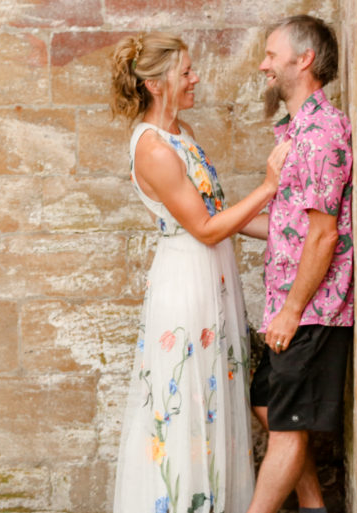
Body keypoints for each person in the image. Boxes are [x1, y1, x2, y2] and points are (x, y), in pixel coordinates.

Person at [109, 32, 291, 513]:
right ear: (155, 84)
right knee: (184, 402)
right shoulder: (152, 148)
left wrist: (286, 234)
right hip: (186, 281)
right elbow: (207, 229)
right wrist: (270, 185)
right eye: (185, 71)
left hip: (213, 277)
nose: (195, 78)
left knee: (215, 395)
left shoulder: (181, 133)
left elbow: (221, 212)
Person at [242, 15, 354, 513]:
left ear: (302, 60)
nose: (264, 64)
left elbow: (324, 233)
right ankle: (313, 506)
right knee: (267, 404)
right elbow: (290, 227)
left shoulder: (320, 134)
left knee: (287, 430)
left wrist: (291, 310)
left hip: (310, 311)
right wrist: (214, 222)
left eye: (271, 54)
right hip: (289, 305)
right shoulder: (296, 129)